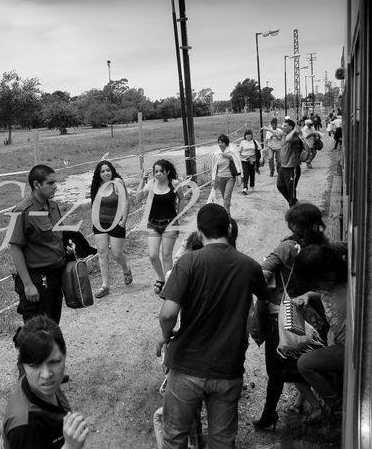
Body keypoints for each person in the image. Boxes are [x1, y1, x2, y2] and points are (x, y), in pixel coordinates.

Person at [159, 203, 267, 448]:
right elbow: (264, 300)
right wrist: (258, 332)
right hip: (228, 368)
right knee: (222, 439)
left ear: (199, 233)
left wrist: (166, 336)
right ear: (229, 229)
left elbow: (167, 314)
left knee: (175, 436)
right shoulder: (249, 266)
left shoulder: (188, 262)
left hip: (187, 366)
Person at [252, 203, 332, 431]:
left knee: (280, 368)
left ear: (295, 225)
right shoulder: (323, 245)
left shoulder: (287, 247)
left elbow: (263, 271)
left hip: (285, 316)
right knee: (301, 359)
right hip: (315, 316)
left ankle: (315, 407)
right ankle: (296, 405)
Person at [3, 315, 89, 449]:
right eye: (35, 365)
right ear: (22, 365)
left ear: (65, 355)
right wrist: (70, 447)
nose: (46, 375)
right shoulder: (24, 427)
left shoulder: (39, 385)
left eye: (54, 362)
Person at [9, 164, 70, 324]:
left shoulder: (53, 206)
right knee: (37, 332)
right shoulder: (23, 211)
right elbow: (15, 247)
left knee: (53, 323)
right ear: (37, 185)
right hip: (37, 280)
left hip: (56, 278)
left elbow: (57, 236)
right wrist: (28, 284)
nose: (55, 186)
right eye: (50, 183)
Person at [294, 245, 347, 428]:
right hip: (336, 340)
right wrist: (310, 295)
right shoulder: (331, 286)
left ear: (327, 275)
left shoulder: (347, 294)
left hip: (348, 348)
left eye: (314, 283)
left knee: (304, 363)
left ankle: (338, 410)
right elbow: (325, 294)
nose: (315, 287)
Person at [136, 159, 186, 295]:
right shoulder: (151, 184)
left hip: (170, 223)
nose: (157, 174)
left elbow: (182, 198)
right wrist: (142, 180)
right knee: (152, 255)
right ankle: (161, 278)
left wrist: (179, 215)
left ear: (167, 172)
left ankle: (169, 284)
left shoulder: (174, 183)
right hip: (153, 223)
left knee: (166, 255)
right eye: (155, 171)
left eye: (160, 171)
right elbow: (138, 198)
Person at [90, 160, 132, 298]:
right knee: (102, 252)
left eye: (108, 170)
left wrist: (124, 221)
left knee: (117, 254)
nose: (106, 173)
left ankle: (126, 268)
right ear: (98, 174)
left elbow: (126, 201)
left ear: (112, 171)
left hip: (116, 223)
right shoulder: (97, 185)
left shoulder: (117, 182)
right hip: (99, 223)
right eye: (102, 171)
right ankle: (105, 286)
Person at [211, 134, 242, 215]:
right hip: (220, 178)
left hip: (230, 178)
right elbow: (214, 167)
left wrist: (229, 157)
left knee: (226, 197)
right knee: (225, 197)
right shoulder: (216, 154)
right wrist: (213, 180)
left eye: (222, 142)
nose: (220, 144)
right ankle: (227, 208)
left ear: (226, 143)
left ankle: (226, 215)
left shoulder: (231, 152)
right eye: (219, 142)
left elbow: (237, 162)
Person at [276, 118, 304, 207]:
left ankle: (293, 208)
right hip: (283, 167)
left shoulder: (294, 136)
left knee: (291, 190)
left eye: (285, 126)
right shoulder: (285, 134)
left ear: (291, 127)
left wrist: (294, 130)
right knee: (280, 186)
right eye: (282, 125)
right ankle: (294, 203)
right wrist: (268, 129)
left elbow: (288, 139)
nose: (283, 127)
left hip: (292, 168)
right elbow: (279, 134)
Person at [238, 129, 262, 195]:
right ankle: (245, 187)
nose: (248, 136)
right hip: (244, 160)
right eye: (247, 135)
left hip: (252, 160)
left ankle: (252, 186)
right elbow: (239, 151)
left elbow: (260, 149)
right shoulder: (242, 142)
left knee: (252, 172)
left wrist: (261, 157)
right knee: (246, 173)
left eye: (249, 135)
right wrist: (238, 159)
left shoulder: (255, 142)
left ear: (252, 135)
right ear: (245, 136)